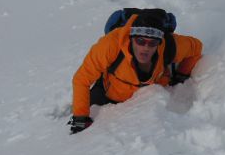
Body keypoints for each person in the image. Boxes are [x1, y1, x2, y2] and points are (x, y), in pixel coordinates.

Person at [68, 9, 203, 134]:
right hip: (107, 93)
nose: (146, 48)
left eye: (152, 43)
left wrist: (181, 75)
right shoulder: (111, 44)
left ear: (159, 42)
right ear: (132, 38)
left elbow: (197, 47)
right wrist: (80, 117)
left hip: (147, 101)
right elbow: (82, 78)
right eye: (140, 41)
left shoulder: (169, 46)